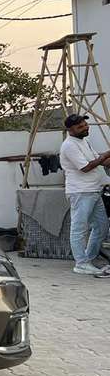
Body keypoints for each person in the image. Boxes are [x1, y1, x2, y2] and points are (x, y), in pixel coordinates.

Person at [59, 114, 110, 275]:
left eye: (85, 124)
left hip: (94, 190)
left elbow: (100, 161)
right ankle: (81, 263)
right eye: (80, 126)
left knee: (101, 227)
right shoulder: (69, 146)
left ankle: (88, 258)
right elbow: (86, 167)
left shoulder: (84, 141)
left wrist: (106, 157)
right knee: (79, 228)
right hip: (81, 192)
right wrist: (107, 153)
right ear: (70, 130)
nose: (85, 127)